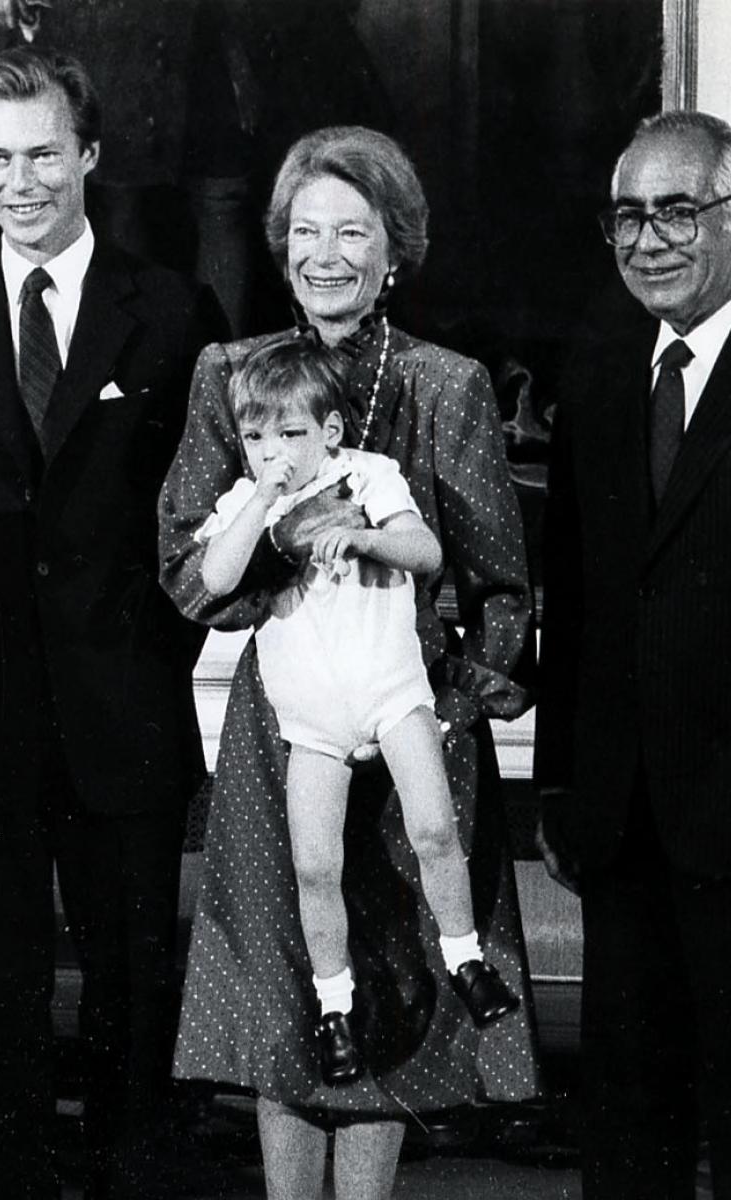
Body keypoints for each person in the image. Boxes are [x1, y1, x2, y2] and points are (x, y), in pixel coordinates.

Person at [158, 125, 539, 1195]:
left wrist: (449, 709)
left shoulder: (445, 383)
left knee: (398, 981)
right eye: (306, 232)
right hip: (283, 728)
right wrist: (265, 539)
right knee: (291, 981)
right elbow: (186, 575)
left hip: (412, 715)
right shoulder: (228, 376)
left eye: (353, 232)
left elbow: (500, 581)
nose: (326, 255)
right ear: (279, 247)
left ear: (393, 250)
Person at [0, 46, 224, 1200]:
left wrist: (145, 649)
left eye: (43, 154)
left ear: (87, 153)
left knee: (136, 979)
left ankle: (132, 1177)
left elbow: (205, 509)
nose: (21, 181)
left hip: (124, 707)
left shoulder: (176, 311)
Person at [198, 335, 518, 1088]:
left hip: (389, 690)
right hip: (311, 719)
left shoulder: (366, 475)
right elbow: (215, 576)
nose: (270, 450)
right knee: (316, 864)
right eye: (254, 436)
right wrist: (265, 502)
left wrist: (363, 533)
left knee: (434, 827)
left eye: (289, 433)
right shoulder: (246, 503)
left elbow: (427, 550)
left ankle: (465, 957)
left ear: (331, 433)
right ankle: (333, 1006)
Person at [537, 110, 731, 1199]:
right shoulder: (603, 358)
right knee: (626, 1121)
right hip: (620, 816)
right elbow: (577, 584)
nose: (649, 241)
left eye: (678, 213)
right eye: (627, 217)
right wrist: (561, 774)